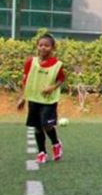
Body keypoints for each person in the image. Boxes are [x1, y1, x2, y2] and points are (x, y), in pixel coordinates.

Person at [16, 33, 66, 163]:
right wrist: (22, 97)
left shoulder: (57, 64)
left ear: (52, 48)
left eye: (47, 45)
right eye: (40, 45)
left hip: (49, 100)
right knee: (37, 127)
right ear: (37, 46)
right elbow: (25, 80)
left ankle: (56, 144)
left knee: (46, 124)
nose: (43, 48)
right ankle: (42, 152)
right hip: (34, 99)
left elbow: (61, 79)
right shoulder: (30, 62)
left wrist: (52, 88)